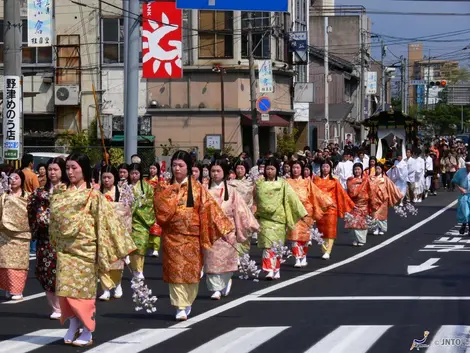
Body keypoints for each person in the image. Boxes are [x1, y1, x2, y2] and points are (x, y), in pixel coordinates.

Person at [49, 153, 136, 347]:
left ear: (84, 170)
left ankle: (87, 327)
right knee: (64, 289)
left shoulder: (93, 195)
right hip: (65, 249)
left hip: (85, 249)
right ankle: (73, 323)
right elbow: (54, 221)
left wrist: (122, 248)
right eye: (68, 168)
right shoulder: (58, 192)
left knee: (83, 292)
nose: (70, 172)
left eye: (75, 168)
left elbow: (108, 222)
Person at [154, 150, 234, 321]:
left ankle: (187, 301)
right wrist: (174, 193)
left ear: (188, 168)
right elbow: (160, 210)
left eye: (181, 165)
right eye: (174, 165)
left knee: (192, 272)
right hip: (172, 237)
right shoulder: (164, 187)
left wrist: (223, 228)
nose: (177, 169)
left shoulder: (198, 189)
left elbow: (209, 209)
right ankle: (179, 306)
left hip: (192, 237)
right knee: (176, 272)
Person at [205, 160, 259, 300]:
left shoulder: (232, 191)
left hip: (227, 231)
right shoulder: (204, 189)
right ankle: (216, 288)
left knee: (226, 260)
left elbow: (240, 210)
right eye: (213, 171)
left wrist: (251, 224)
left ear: (224, 173)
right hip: (210, 230)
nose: (215, 174)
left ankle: (225, 280)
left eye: (218, 171)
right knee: (211, 261)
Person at [27, 157, 68, 319]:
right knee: (46, 273)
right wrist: (40, 218)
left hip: (65, 239)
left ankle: (66, 306)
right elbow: (31, 211)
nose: (52, 172)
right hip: (45, 239)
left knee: (65, 273)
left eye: (55, 169)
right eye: (50, 169)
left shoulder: (69, 192)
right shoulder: (39, 193)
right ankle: (55, 307)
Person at [254, 158, 307, 279]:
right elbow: (255, 199)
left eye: (272, 169)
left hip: (278, 219)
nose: (270, 171)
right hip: (265, 219)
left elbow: (291, 198)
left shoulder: (283, 183)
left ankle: (276, 268)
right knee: (268, 245)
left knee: (276, 246)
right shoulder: (259, 183)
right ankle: (269, 270)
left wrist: (301, 211)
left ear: (277, 170)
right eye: (267, 169)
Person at [287, 160, 333, 267]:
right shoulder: (287, 182)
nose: (295, 170)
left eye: (298, 168)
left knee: (304, 236)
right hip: (293, 212)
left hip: (306, 212)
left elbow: (316, 194)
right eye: (293, 167)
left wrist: (328, 201)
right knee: (294, 236)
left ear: (302, 169)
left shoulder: (307, 182)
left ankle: (303, 256)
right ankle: (297, 258)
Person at [98, 165, 133, 301]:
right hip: (101, 232)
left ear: (115, 178)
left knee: (117, 262)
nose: (106, 180)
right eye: (104, 177)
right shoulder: (97, 192)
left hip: (117, 232)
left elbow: (126, 212)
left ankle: (117, 284)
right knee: (102, 261)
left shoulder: (122, 192)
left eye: (109, 177)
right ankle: (106, 289)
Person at [313, 160, 355, 260]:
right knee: (321, 230)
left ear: (330, 168)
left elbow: (341, 194)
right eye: (323, 167)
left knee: (330, 229)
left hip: (331, 208)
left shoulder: (334, 181)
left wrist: (351, 204)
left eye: (327, 167)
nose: (325, 169)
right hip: (320, 208)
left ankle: (328, 251)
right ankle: (324, 249)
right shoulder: (316, 180)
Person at [0, 170, 31, 301]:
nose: (13, 180)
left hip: (22, 234)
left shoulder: (28, 197)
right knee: (5, 262)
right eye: (11, 178)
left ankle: (17, 290)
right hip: (5, 233)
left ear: (22, 180)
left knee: (19, 263)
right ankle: (8, 288)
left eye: (16, 178)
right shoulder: (3, 196)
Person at [128, 163, 156, 279]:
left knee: (141, 245)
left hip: (141, 220)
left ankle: (139, 269)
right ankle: (135, 268)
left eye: (136, 173)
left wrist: (140, 204)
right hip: (128, 220)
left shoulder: (147, 186)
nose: (134, 176)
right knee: (131, 246)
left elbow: (151, 202)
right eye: (132, 173)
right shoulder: (124, 187)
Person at [230, 159, 256, 256]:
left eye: (242, 168)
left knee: (245, 234)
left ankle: (244, 254)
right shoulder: (230, 183)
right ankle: (236, 256)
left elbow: (254, 197)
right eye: (237, 168)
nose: (239, 170)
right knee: (235, 233)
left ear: (246, 169)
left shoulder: (251, 183)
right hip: (234, 212)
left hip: (246, 213)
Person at [369, 163, 403, 235]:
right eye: (376, 168)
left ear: (382, 170)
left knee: (382, 214)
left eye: (379, 169)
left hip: (383, 199)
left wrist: (398, 193)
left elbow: (392, 187)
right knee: (374, 214)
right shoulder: (371, 178)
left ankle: (382, 228)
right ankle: (376, 228)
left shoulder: (385, 179)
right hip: (374, 198)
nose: (377, 170)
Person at [346, 163, 372, 246]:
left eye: (358, 169)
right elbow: (349, 192)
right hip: (353, 203)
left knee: (362, 222)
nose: (357, 171)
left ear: (361, 170)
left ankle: (361, 240)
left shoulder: (366, 180)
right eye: (355, 169)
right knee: (353, 222)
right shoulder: (350, 180)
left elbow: (370, 190)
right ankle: (355, 239)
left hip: (363, 203)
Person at [145, 163, 163, 258]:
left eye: (154, 168)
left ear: (157, 170)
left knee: (156, 228)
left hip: (156, 206)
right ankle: (150, 248)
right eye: (151, 168)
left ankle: (156, 248)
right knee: (147, 228)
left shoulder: (160, 181)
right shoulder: (145, 181)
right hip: (147, 207)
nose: (152, 170)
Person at [452, 158, 470, 235]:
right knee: (465, 212)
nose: (469, 168)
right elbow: (454, 181)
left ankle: (465, 225)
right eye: (467, 166)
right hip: (464, 194)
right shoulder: (460, 172)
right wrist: (460, 188)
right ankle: (465, 224)